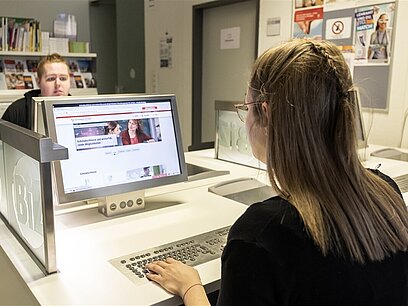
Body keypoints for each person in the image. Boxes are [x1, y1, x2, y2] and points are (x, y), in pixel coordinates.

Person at [145, 39, 408, 305]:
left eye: (246, 108)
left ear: (266, 114)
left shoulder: (262, 235)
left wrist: (191, 286)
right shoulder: (386, 191)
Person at [2, 53, 71, 129]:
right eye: (51, 79)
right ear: (39, 82)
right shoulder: (16, 110)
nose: (58, 84)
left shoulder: (81, 107)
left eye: (63, 78)